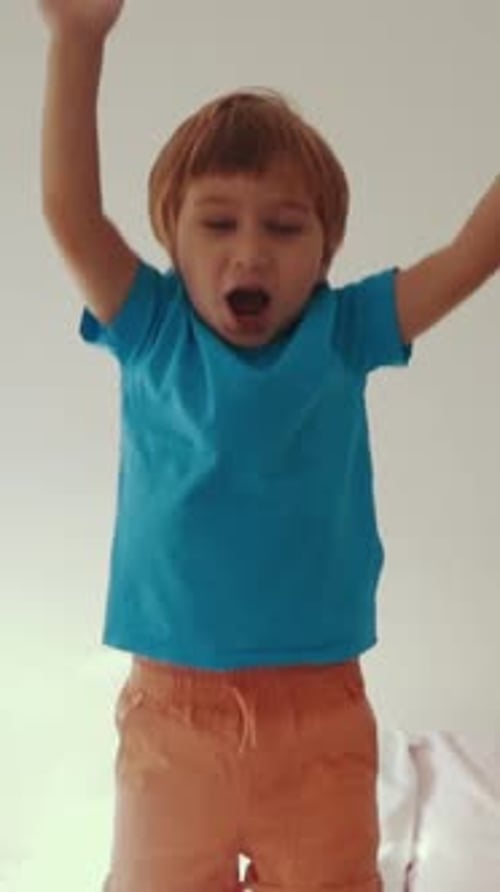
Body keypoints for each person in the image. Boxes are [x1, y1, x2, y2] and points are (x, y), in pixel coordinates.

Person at [37, 1, 500, 890]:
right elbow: (69, 210)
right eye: (218, 225)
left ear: (327, 248)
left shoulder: (346, 329)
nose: (251, 252)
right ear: (170, 239)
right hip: (174, 721)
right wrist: (78, 39)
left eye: (284, 228)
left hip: (320, 717)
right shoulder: (152, 327)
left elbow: (474, 253)